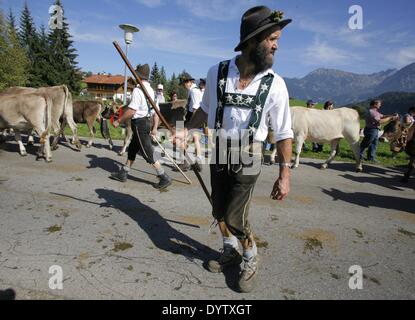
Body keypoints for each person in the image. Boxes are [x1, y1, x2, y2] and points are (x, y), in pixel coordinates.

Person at [174, 5, 293, 293]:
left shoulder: (275, 85)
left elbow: (283, 133)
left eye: (277, 39)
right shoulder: (218, 71)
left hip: (250, 153)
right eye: (272, 39)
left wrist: (284, 174)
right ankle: (229, 251)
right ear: (253, 40)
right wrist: (185, 130)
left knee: (235, 217)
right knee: (218, 209)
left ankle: (251, 256)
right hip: (219, 147)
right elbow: (204, 110)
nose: (276, 46)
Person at [110, 64, 172, 189]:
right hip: (146, 122)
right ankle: (124, 172)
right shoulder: (152, 92)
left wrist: (119, 120)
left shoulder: (138, 90)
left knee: (147, 152)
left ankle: (164, 176)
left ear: (138, 76)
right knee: (133, 149)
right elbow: (156, 112)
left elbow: (132, 111)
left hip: (140, 124)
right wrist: (154, 128)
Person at [176, 72, 204, 172]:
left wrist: (191, 124)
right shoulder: (196, 90)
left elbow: (195, 108)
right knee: (196, 140)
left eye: (183, 84)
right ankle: (198, 161)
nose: (183, 86)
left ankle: (184, 162)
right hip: (196, 118)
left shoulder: (194, 92)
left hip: (193, 117)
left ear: (188, 82)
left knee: (181, 138)